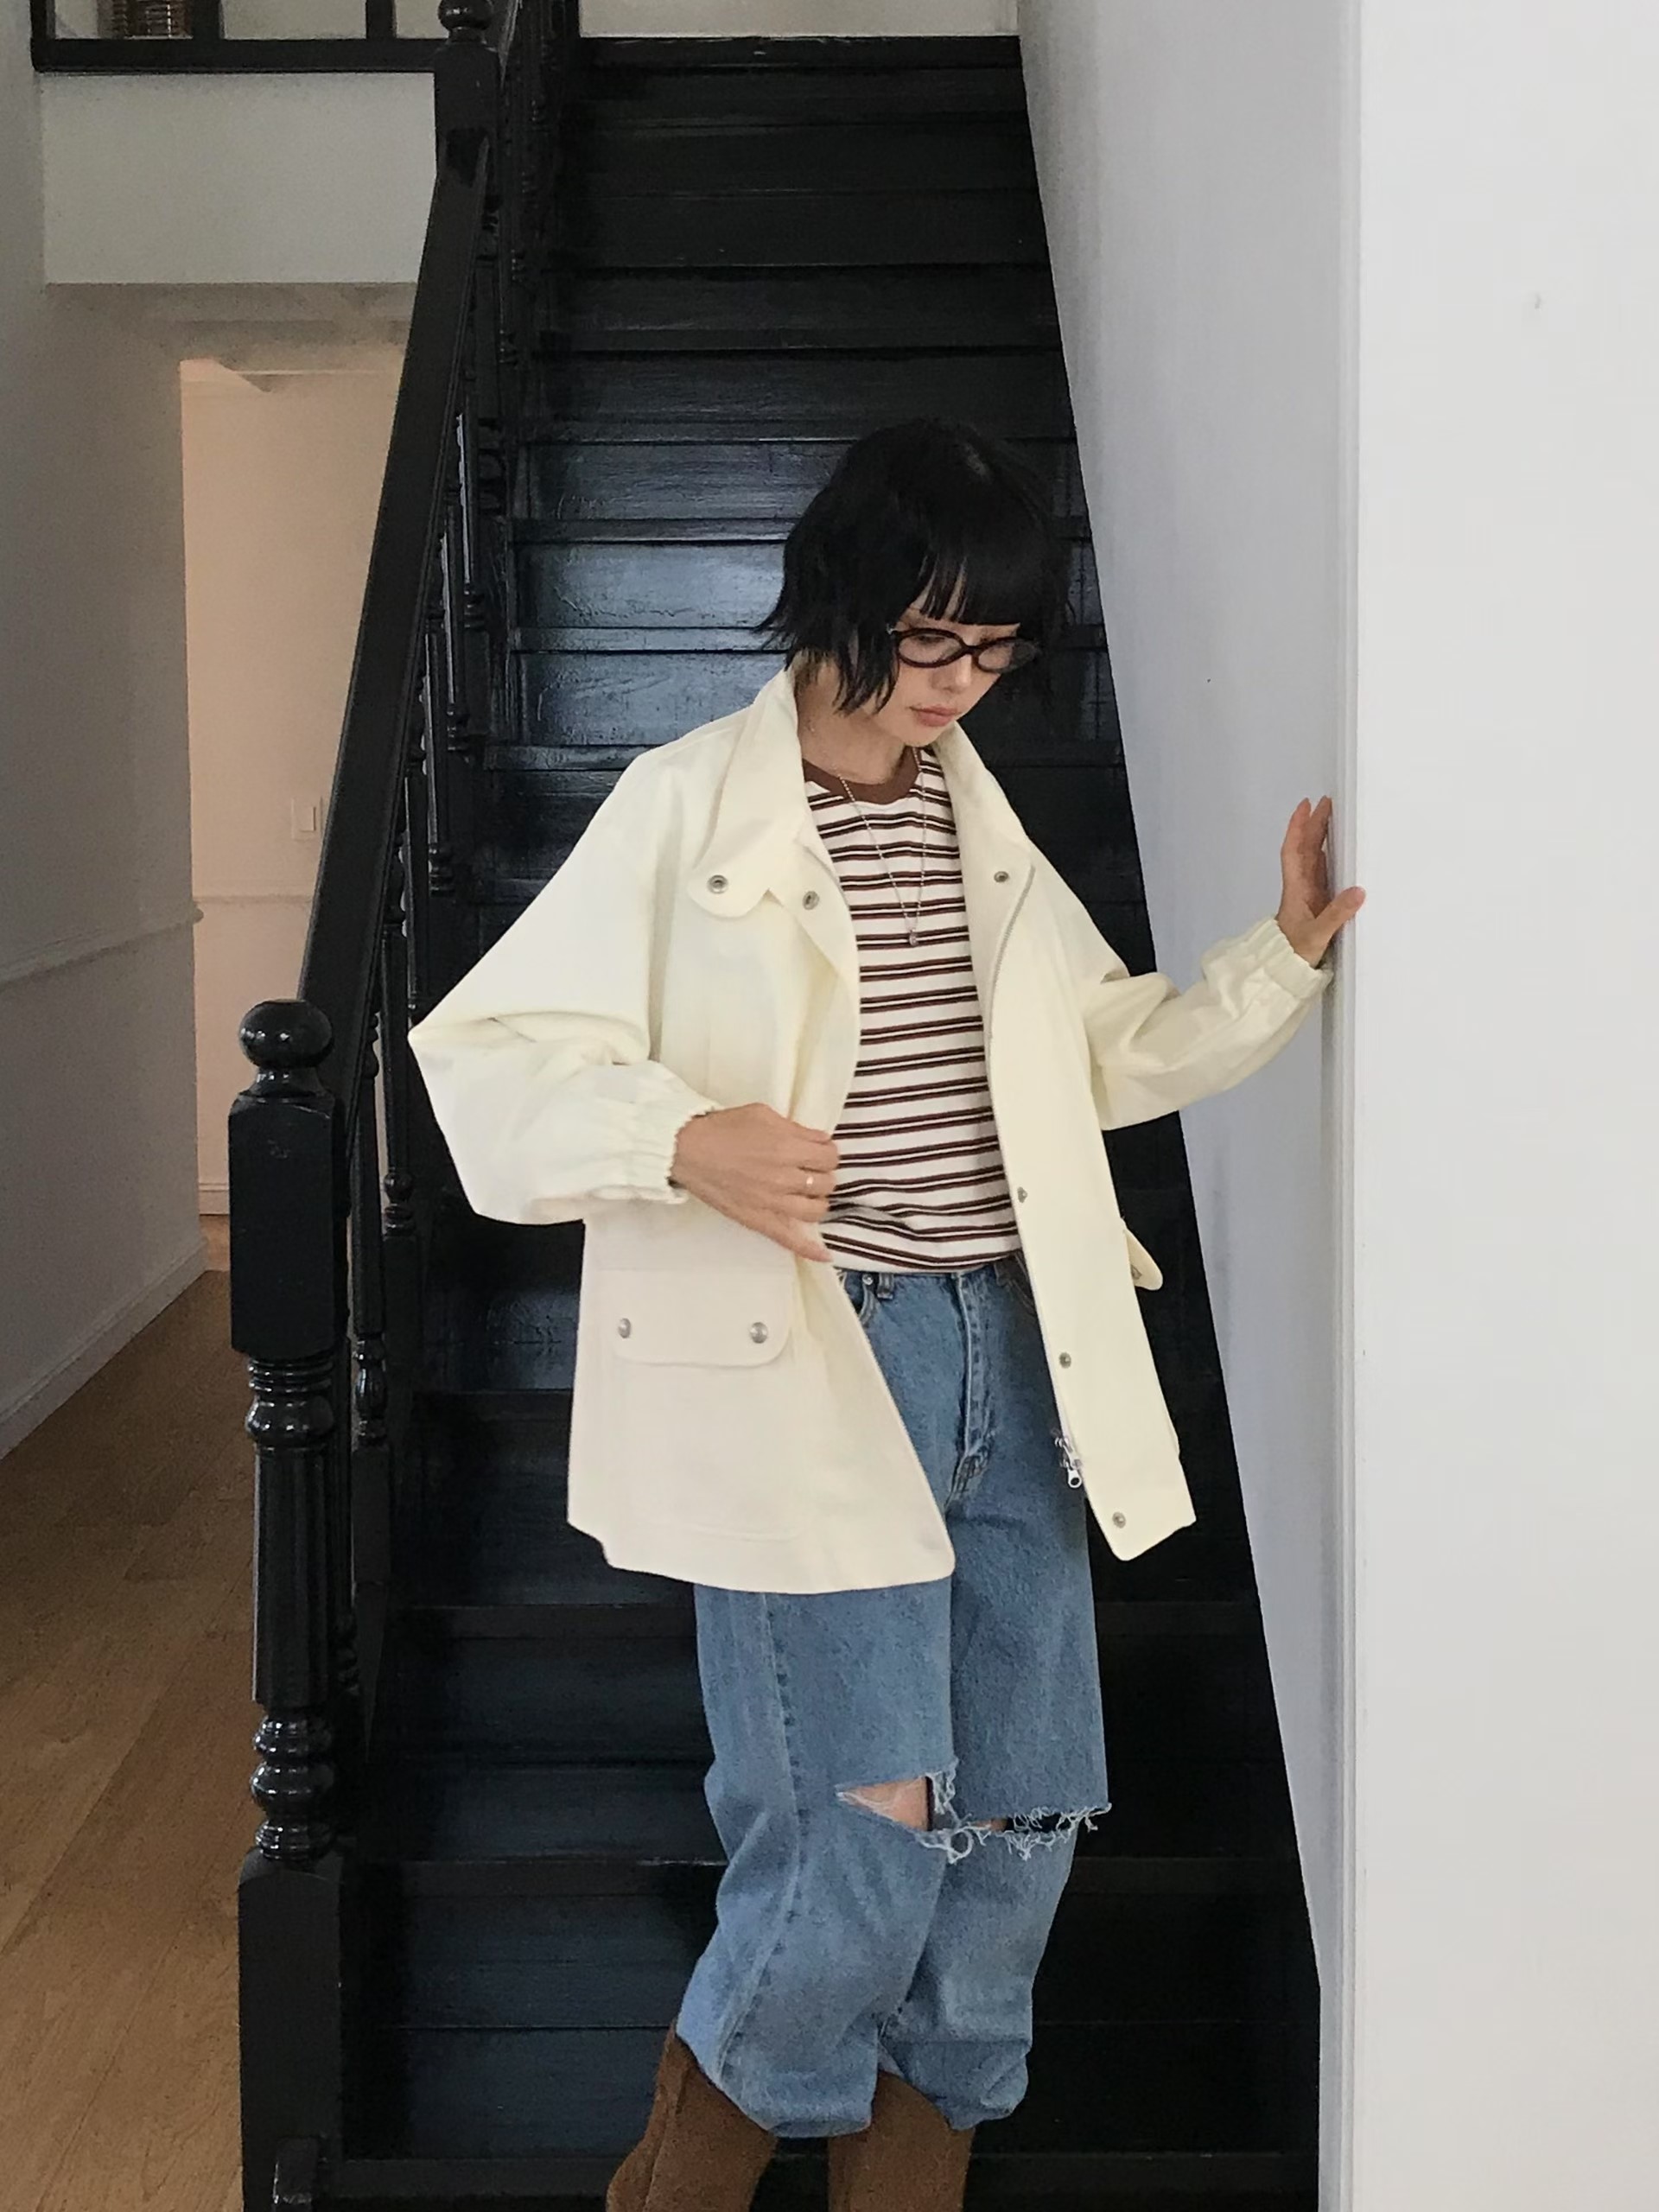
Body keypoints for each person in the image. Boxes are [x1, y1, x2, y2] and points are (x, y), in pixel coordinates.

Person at [405, 417, 1363, 2211]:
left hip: (1013, 1345)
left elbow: (1092, 1048)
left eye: (992, 650)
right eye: (931, 638)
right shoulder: (687, 804)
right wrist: (680, 1135)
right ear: (840, 595)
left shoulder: (971, 820)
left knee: (1020, 1824)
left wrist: (1277, 965)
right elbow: (488, 1053)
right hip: (818, 1359)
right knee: (859, 1827)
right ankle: (682, 2179)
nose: (958, 681)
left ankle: (910, 2181)